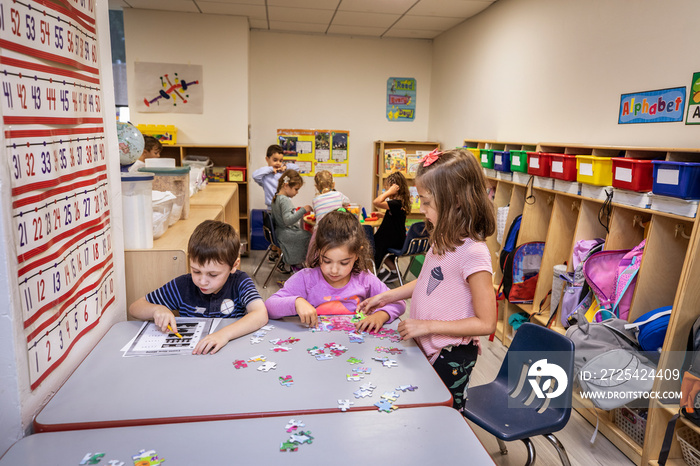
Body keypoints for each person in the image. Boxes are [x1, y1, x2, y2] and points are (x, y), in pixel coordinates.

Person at [357, 149, 497, 411]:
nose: (422, 210)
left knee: (441, 415)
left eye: (427, 202)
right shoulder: (443, 238)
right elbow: (427, 282)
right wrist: (386, 296)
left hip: (451, 354)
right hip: (428, 343)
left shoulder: (474, 252)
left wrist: (428, 326)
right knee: (421, 409)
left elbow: (487, 322)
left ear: (455, 200)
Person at [128, 220, 268, 355]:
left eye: (212, 274)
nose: (202, 281)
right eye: (196, 271)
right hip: (192, 357)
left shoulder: (240, 281)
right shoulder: (183, 285)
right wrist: (157, 309)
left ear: (234, 266)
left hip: (229, 353)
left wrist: (223, 335)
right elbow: (135, 307)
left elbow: (260, 314)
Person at [266, 210, 405, 332]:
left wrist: (381, 316)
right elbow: (270, 306)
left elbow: (398, 302)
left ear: (357, 254)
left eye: (344, 263)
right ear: (318, 251)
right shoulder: (305, 278)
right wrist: (296, 302)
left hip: (354, 351)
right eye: (326, 261)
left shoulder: (365, 279)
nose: (333, 270)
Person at [270, 169, 312, 271]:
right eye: (296, 189)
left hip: (279, 232)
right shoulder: (284, 200)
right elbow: (288, 221)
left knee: (304, 233)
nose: (297, 192)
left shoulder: (277, 197)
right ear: (286, 185)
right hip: (285, 233)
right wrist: (303, 210)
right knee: (309, 236)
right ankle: (296, 263)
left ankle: (292, 262)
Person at [372, 171, 410, 283]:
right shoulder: (400, 203)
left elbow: (376, 202)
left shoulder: (395, 203)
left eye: (387, 188)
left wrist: (388, 193)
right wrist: (383, 215)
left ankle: (382, 271)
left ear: (395, 188)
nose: (386, 190)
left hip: (392, 240)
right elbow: (397, 218)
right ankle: (394, 272)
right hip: (398, 239)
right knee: (380, 246)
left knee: (371, 243)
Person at [252, 144, 300, 210]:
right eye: (275, 160)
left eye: (280, 161)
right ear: (267, 159)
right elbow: (255, 175)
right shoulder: (265, 177)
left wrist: (286, 167)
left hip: (285, 207)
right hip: (271, 209)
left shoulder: (284, 174)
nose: (278, 163)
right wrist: (271, 169)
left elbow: (297, 168)